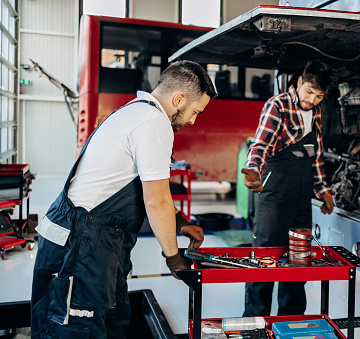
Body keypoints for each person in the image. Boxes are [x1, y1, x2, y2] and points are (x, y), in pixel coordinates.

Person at [31, 60, 217, 338]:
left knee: (108, 321)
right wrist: (174, 259)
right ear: (178, 99)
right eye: (194, 111)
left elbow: (150, 188)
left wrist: (180, 223)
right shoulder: (155, 122)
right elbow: (157, 203)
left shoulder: (135, 112)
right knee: (75, 329)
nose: (193, 120)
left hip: (90, 238)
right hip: (83, 242)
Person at [242, 60, 336, 316]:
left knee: (299, 257)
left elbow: (315, 155)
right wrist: (253, 170)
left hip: (302, 197)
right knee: (266, 257)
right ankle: (255, 319)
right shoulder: (278, 105)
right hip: (275, 193)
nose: (312, 100)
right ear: (298, 83)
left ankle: (291, 317)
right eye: (308, 92)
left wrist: (323, 190)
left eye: (319, 96)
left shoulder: (316, 111)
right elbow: (260, 144)